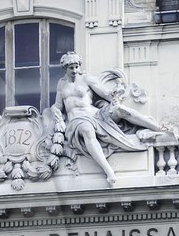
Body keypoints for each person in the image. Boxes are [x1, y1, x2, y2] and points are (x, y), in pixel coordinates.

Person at [51, 52, 165, 186]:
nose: (75, 70)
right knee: (87, 129)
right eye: (71, 68)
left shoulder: (86, 79)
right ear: (65, 67)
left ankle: (156, 128)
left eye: (77, 67)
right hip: (77, 120)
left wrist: (114, 96)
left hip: (95, 115)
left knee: (119, 110)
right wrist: (55, 112)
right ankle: (108, 171)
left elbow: (105, 93)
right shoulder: (61, 84)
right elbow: (58, 105)